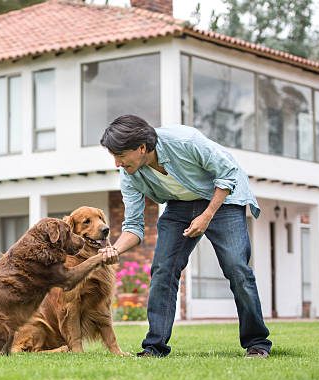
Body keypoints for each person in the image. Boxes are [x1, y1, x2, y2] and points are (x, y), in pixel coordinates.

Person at [98, 114, 272, 358]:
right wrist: (114, 249)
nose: (117, 163)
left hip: (223, 199)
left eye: (120, 155)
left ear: (142, 148)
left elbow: (228, 172)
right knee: (163, 269)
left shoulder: (185, 141)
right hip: (180, 206)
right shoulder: (130, 174)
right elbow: (134, 226)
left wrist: (208, 215)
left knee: (236, 267)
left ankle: (257, 343)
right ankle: (154, 347)